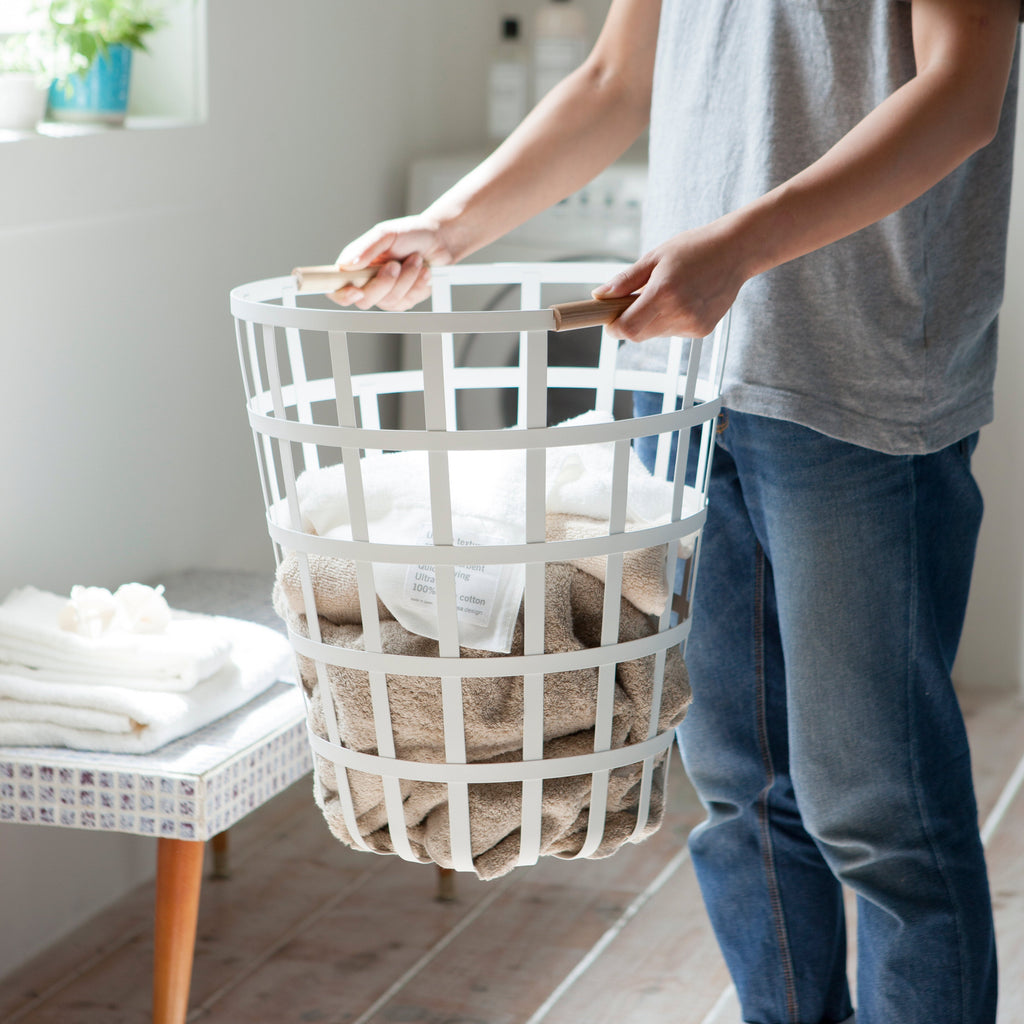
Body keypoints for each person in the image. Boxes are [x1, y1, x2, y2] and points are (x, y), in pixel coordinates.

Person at [330, 2, 1022, 1021]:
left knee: (877, 811)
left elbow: (961, 94)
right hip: (685, 384)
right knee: (737, 791)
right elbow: (616, 78)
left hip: (859, 384)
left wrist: (740, 245)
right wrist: (452, 224)